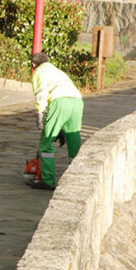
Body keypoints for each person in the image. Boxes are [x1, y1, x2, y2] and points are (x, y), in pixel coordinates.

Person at [30, 52, 83, 190]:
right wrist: (60, 128)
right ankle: (77, 179)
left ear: (33, 64)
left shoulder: (39, 72)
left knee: (46, 142)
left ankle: (47, 180)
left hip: (59, 101)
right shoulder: (57, 71)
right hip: (77, 101)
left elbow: (41, 92)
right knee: (74, 138)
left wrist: (40, 113)